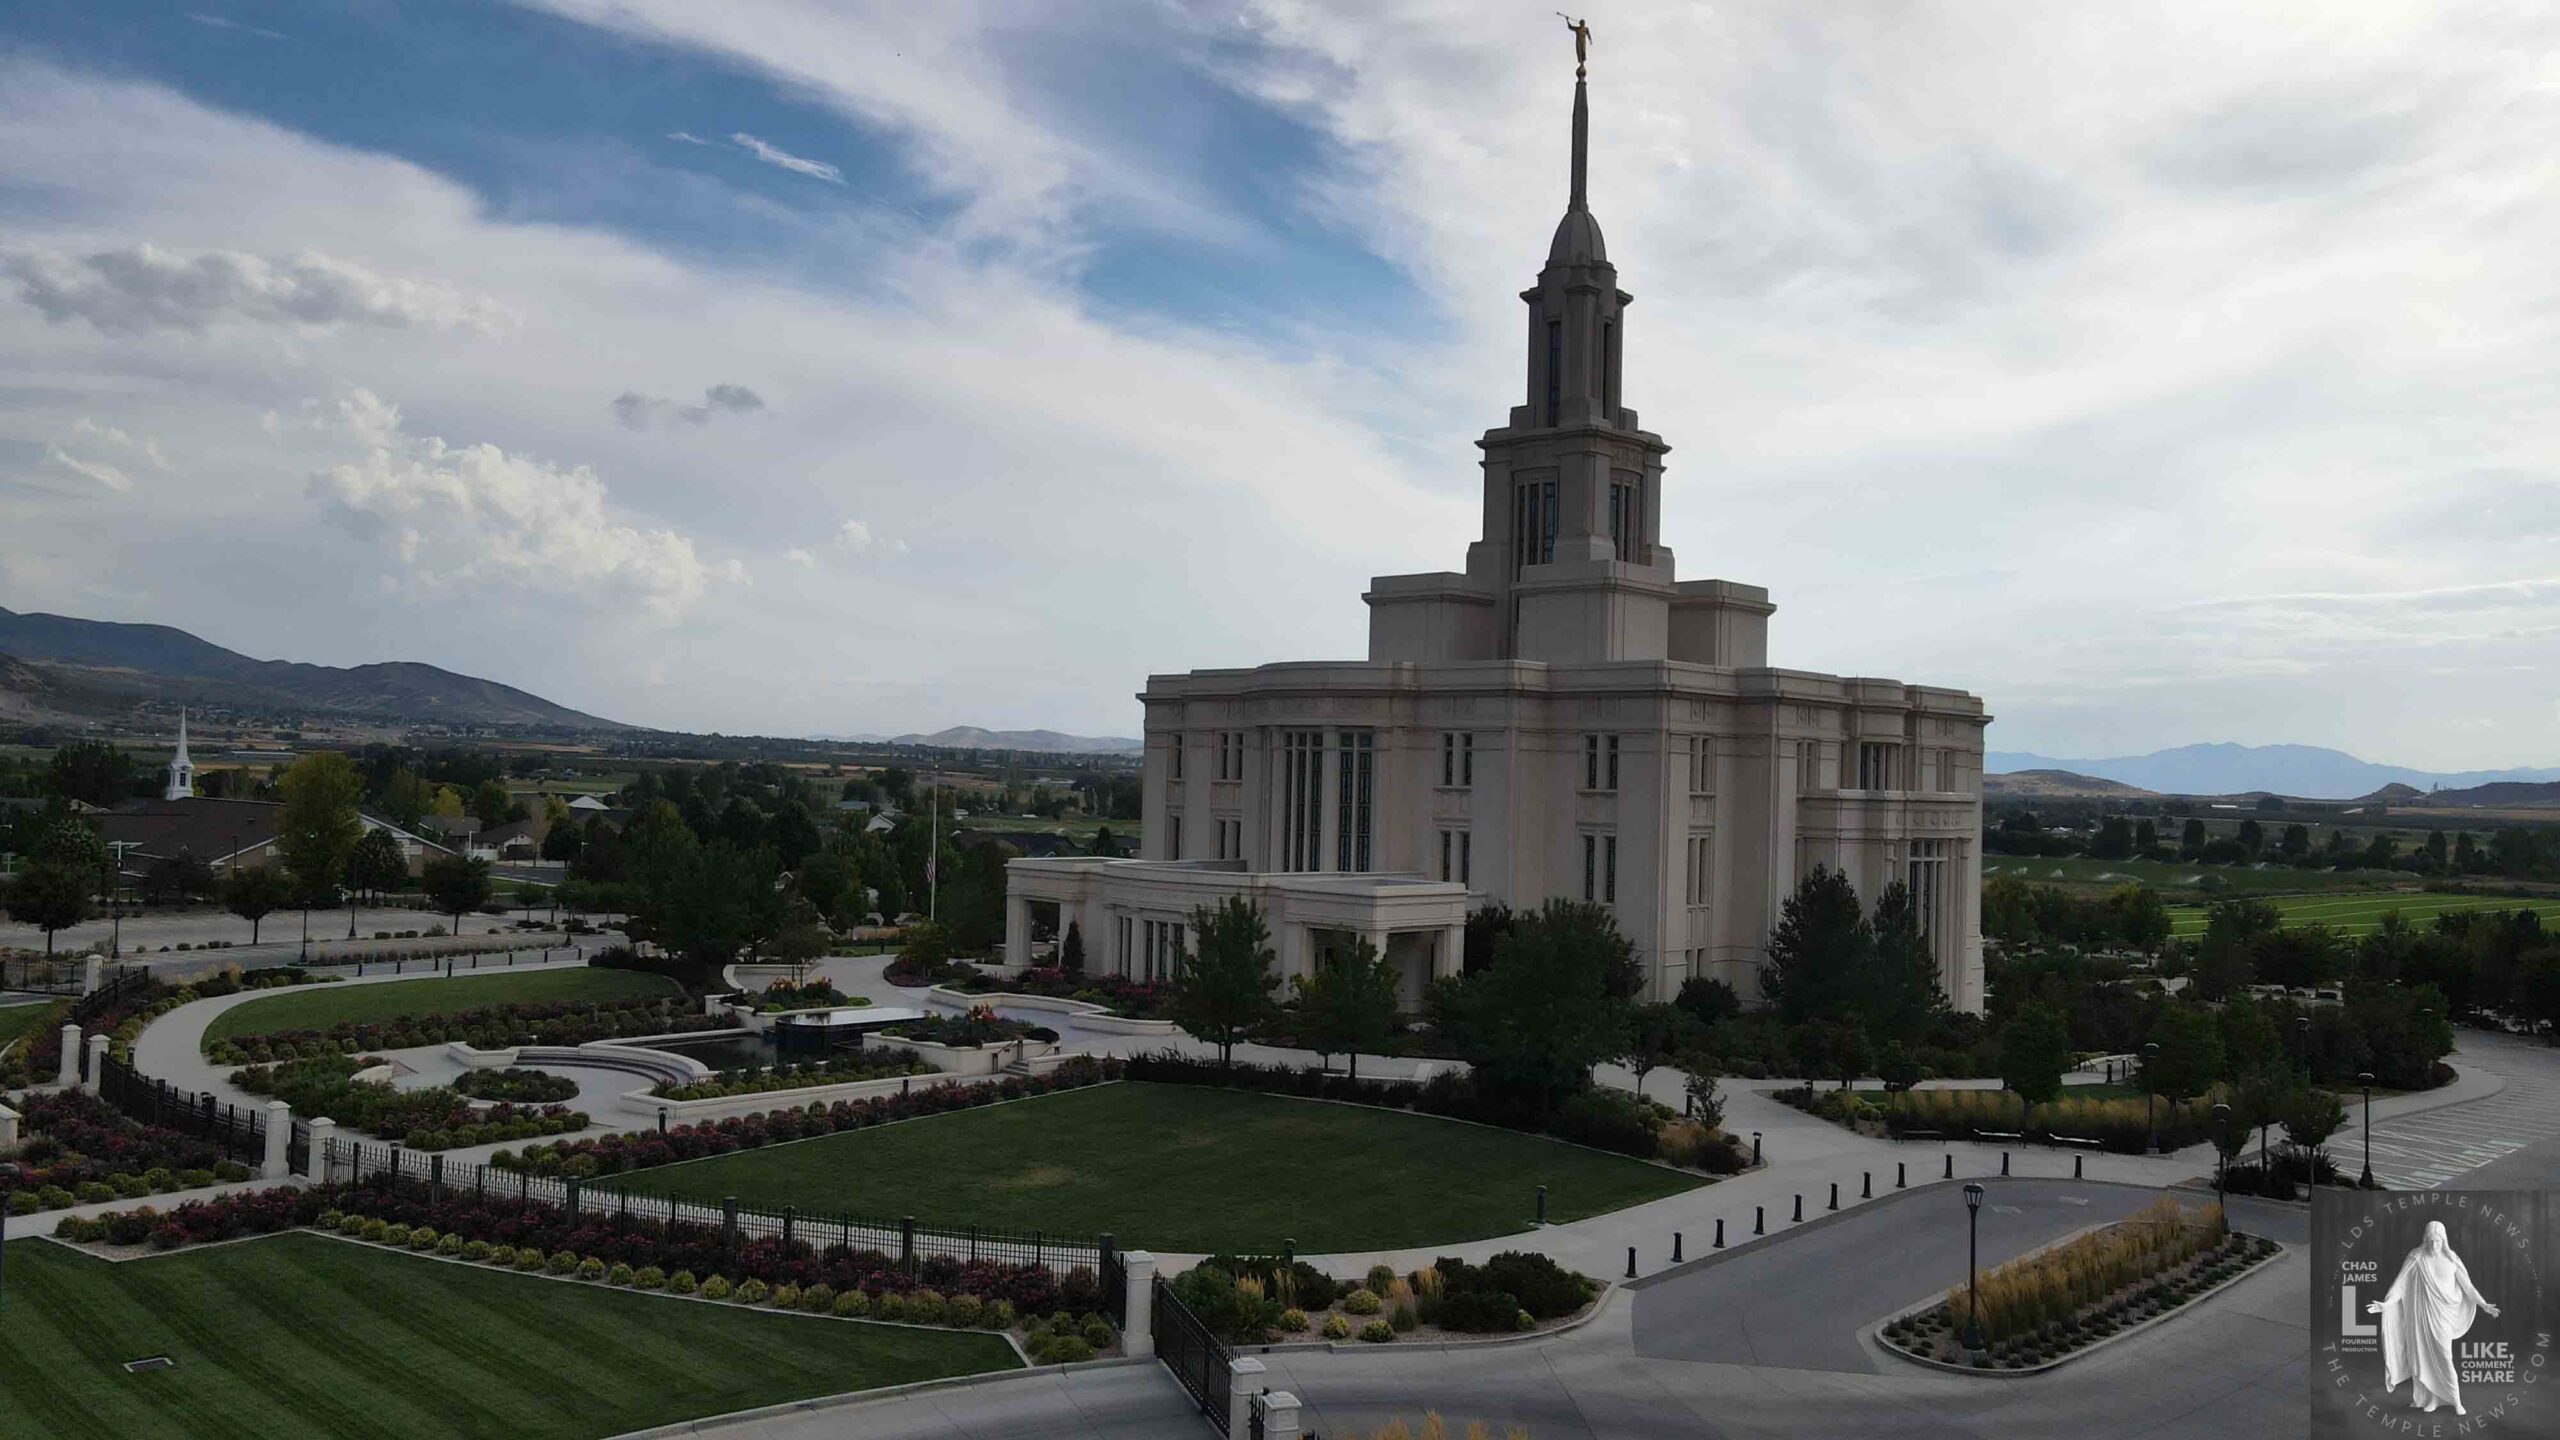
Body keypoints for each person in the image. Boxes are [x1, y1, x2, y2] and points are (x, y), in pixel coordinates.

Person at [2367, 1220, 2500, 1415]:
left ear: (2444, 1241)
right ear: (2425, 1240)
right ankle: (2430, 1399)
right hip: (2420, 1317)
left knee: (2445, 1357)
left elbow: (2468, 1287)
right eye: (2430, 1241)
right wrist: (2386, 1304)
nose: (2434, 1245)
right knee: (2422, 1357)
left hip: (2443, 1317)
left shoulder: (2452, 1260)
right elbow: (2400, 1285)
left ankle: (2456, 1401)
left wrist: (2484, 1304)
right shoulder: (2416, 1258)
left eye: (2438, 1241)